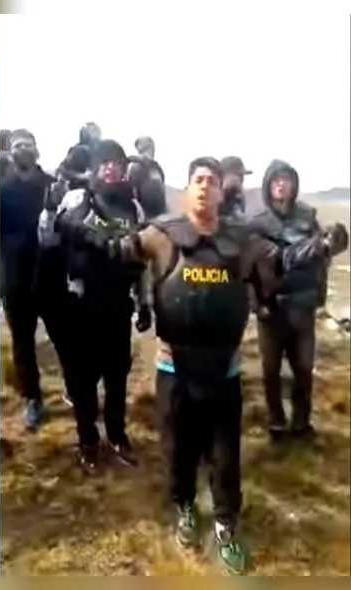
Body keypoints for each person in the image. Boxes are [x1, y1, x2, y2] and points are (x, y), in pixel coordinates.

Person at [65, 156, 338, 575]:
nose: (207, 185)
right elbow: (115, 246)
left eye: (212, 180)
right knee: (179, 450)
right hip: (175, 369)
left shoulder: (241, 240)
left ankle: (227, 522)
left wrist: (320, 247)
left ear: (220, 191)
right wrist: (72, 222)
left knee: (226, 455)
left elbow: (281, 260)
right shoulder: (162, 236)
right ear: (188, 188)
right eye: (199, 179)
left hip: (223, 371)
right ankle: (186, 507)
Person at [40, 139, 150, 470]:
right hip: (80, 306)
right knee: (82, 380)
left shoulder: (134, 208)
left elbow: (140, 260)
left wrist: (144, 303)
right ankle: (88, 440)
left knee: (117, 378)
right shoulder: (77, 200)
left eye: (117, 162)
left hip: (118, 306)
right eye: (105, 162)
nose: (111, 167)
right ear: (95, 167)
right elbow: (48, 240)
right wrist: (48, 210)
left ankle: (117, 435)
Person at [248, 160, 349, 442]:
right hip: (271, 307)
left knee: (303, 368)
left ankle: (301, 423)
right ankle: (276, 423)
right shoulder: (257, 224)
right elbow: (251, 269)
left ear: (294, 185)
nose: (281, 184)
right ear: (269, 186)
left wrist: (332, 243)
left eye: (287, 179)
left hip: (301, 306)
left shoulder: (307, 218)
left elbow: (322, 257)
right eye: (276, 180)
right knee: (270, 370)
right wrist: (257, 303)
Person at [1, 129, 76, 431]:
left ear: (36, 150)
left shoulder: (52, 187)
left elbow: (70, 231)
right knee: (23, 346)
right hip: (17, 282)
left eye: (28, 145)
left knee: (65, 338)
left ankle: (75, 389)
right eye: (18, 145)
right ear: (11, 152)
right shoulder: (2, 191)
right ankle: (32, 399)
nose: (24, 150)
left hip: (52, 278)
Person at [127, 135, 167, 219]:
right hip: (145, 216)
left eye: (152, 147)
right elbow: (132, 193)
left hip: (160, 216)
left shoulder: (157, 168)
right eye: (147, 148)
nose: (151, 151)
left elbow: (162, 190)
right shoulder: (136, 167)